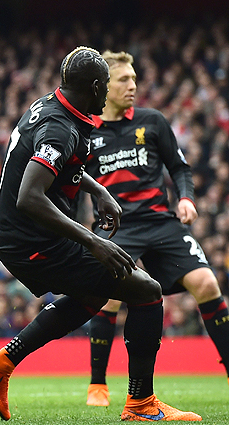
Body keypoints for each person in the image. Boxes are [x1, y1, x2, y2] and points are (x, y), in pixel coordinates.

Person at [0, 46, 201, 422]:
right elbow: (30, 196)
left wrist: (97, 190)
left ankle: (2, 363)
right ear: (95, 87)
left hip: (21, 234)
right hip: (31, 239)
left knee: (94, 296)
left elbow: (60, 165)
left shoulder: (54, 106)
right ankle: (141, 403)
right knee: (146, 291)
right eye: (106, 84)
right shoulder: (60, 128)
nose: (107, 92)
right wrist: (93, 241)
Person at [83, 50, 229, 407]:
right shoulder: (86, 131)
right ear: (105, 86)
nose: (133, 85)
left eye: (134, 78)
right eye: (124, 79)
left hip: (161, 221)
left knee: (207, 283)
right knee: (110, 295)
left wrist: (186, 198)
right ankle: (98, 384)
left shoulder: (153, 121)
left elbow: (179, 167)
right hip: (117, 228)